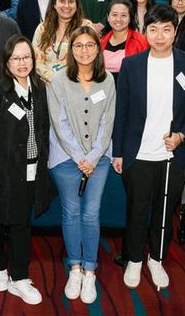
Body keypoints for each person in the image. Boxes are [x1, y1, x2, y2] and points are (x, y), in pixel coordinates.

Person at [112, 4, 185, 290]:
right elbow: (122, 110)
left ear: (175, 32)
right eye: (153, 29)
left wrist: (181, 135)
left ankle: (156, 258)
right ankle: (134, 260)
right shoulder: (132, 64)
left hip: (172, 153)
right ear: (145, 31)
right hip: (138, 151)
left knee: (165, 210)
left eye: (166, 29)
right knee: (137, 209)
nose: (160, 36)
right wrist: (118, 151)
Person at [0, 35, 54, 305]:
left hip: (31, 169)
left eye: (26, 57)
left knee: (21, 223)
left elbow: (43, 129)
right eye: (16, 58)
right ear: (6, 62)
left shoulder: (39, 88)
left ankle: (19, 277)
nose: (22, 63)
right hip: (1, 170)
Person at [47, 26, 115, 304]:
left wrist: (94, 156)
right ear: (71, 50)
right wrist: (79, 158)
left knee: (91, 214)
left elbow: (107, 121)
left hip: (98, 159)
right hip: (65, 158)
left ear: (98, 49)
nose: (84, 50)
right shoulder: (58, 80)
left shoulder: (108, 79)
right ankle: (74, 268)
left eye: (90, 45)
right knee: (71, 213)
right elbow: (59, 123)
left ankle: (90, 270)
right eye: (78, 46)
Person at [32, 0, 91, 83]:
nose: (66, 5)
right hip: (47, 85)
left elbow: (90, 58)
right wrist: (56, 80)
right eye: (62, 1)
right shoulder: (42, 29)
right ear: (54, 4)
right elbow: (36, 62)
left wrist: (68, 81)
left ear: (77, 5)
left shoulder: (86, 27)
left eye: (71, 1)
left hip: (78, 84)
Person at [99, 0, 149, 82]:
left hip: (130, 87)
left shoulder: (141, 41)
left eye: (123, 15)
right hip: (104, 89)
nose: (118, 19)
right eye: (114, 15)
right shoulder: (100, 42)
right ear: (108, 18)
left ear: (130, 18)